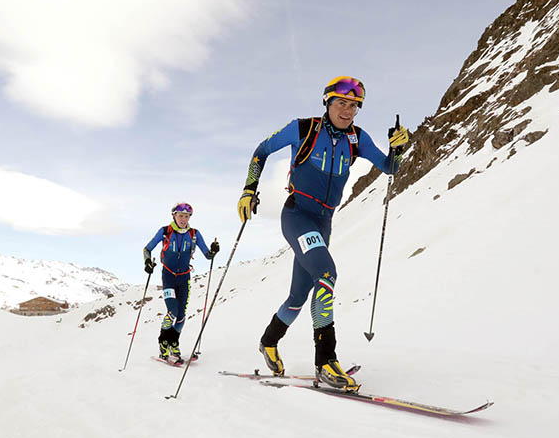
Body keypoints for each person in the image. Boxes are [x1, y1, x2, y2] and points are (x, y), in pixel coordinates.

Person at [237, 76, 409, 391]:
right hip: (297, 215)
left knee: (298, 296)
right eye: (341, 103)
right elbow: (261, 151)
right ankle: (326, 360)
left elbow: (390, 168)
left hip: (323, 223)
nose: (347, 111)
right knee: (327, 274)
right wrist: (249, 190)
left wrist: (397, 150)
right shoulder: (303, 129)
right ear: (327, 103)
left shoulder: (358, 139)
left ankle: (268, 341)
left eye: (354, 106)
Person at [143, 202, 220, 365]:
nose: (184, 219)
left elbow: (208, 255)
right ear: (174, 216)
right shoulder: (165, 232)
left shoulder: (194, 234)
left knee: (182, 315)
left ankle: (174, 343)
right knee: (172, 311)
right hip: (169, 277)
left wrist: (213, 250)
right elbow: (147, 249)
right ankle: (164, 343)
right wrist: (147, 262)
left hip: (184, 279)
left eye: (187, 216)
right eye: (181, 216)